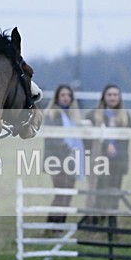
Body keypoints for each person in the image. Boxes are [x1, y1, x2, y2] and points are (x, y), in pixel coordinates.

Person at [83, 83, 131, 225]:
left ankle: (112, 222)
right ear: (104, 97)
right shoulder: (93, 114)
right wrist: (104, 145)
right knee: (99, 192)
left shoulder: (124, 116)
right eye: (110, 95)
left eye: (115, 95)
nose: (113, 98)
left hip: (118, 161)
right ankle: (96, 222)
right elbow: (85, 138)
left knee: (115, 193)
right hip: (100, 161)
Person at [42, 84, 83, 231]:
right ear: (57, 97)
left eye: (68, 95)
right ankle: (53, 225)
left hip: (71, 159)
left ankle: (60, 224)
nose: (66, 98)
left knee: (69, 192)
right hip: (57, 160)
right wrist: (68, 150)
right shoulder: (52, 114)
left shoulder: (72, 115)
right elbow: (53, 139)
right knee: (61, 191)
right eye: (63, 95)